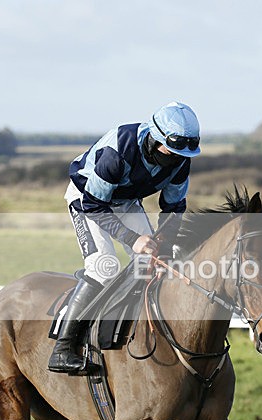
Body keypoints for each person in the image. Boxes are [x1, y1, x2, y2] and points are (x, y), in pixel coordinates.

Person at [48, 101, 202, 375]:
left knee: (153, 264)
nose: (177, 159)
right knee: (104, 267)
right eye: (173, 151)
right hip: (87, 200)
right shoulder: (118, 150)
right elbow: (95, 205)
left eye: (183, 154)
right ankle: (64, 348)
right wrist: (133, 239)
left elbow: (173, 209)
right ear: (155, 138)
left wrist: (163, 244)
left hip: (126, 202)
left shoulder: (181, 162)